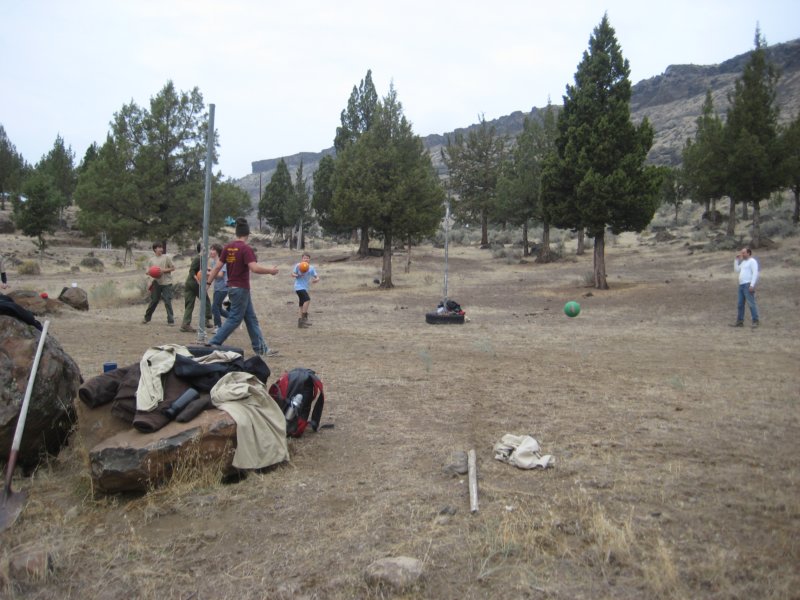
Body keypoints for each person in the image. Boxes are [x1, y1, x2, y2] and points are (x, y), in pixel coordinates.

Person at [206, 218, 279, 356]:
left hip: (232, 288)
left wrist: (208, 283)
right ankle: (214, 342)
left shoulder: (228, 247)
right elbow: (254, 268)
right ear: (247, 234)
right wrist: (270, 271)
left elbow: (217, 267)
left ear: (237, 233)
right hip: (241, 289)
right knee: (234, 318)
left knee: (251, 318)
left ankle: (262, 349)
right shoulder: (246, 249)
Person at [180, 242, 213, 333]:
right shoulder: (199, 258)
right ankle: (206, 320)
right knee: (206, 300)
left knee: (190, 304)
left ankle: (185, 324)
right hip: (194, 284)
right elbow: (192, 271)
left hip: (191, 283)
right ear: (203, 249)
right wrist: (197, 280)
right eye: (207, 248)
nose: (208, 250)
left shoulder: (202, 259)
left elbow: (201, 270)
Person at [142, 242, 176, 325]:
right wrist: (150, 273)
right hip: (156, 283)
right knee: (154, 301)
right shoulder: (151, 260)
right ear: (155, 249)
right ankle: (146, 318)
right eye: (159, 247)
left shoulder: (166, 258)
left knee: (167, 301)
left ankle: (170, 320)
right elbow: (148, 271)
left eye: (161, 247)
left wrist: (162, 270)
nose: (161, 249)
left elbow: (173, 268)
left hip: (166, 283)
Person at [732, 247, 760, 328]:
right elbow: (737, 270)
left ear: (748, 253)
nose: (742, 254)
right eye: (742, 253)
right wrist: (736, 260)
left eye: (743, 253)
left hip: (748, 284)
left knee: (751, 304)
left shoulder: (752, 261)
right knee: (740, 304)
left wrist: (752, 285)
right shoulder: (743, 262)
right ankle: (740, 321)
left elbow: (755, 273)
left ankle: (755, 321)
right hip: (741, 285)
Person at [291, 252, 320, 328]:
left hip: (305, 287)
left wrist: (316, 279)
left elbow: (317, 277)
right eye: (304, 258)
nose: (306, 259)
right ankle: (304, 319)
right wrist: (298, 275)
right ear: (302, 259)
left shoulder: (311, 268)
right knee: (307, 300)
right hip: (298, 287)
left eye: (307, 258)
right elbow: (292, 274)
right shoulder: (298, 265)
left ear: (309, 259)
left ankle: (300, 323)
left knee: (301, 304)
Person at [209, 243, 229, 332]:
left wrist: (209, 273)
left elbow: (220, 275)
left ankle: (218, 327)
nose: (211, 251)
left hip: (223, 288)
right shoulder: (213, 262)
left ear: (217, 252)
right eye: (211, 249)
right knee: (219, 309)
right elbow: (214, 272)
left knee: (214, 307)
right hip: (217, 288)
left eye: (213, 250)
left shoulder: (222, 261)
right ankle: (233, 318)